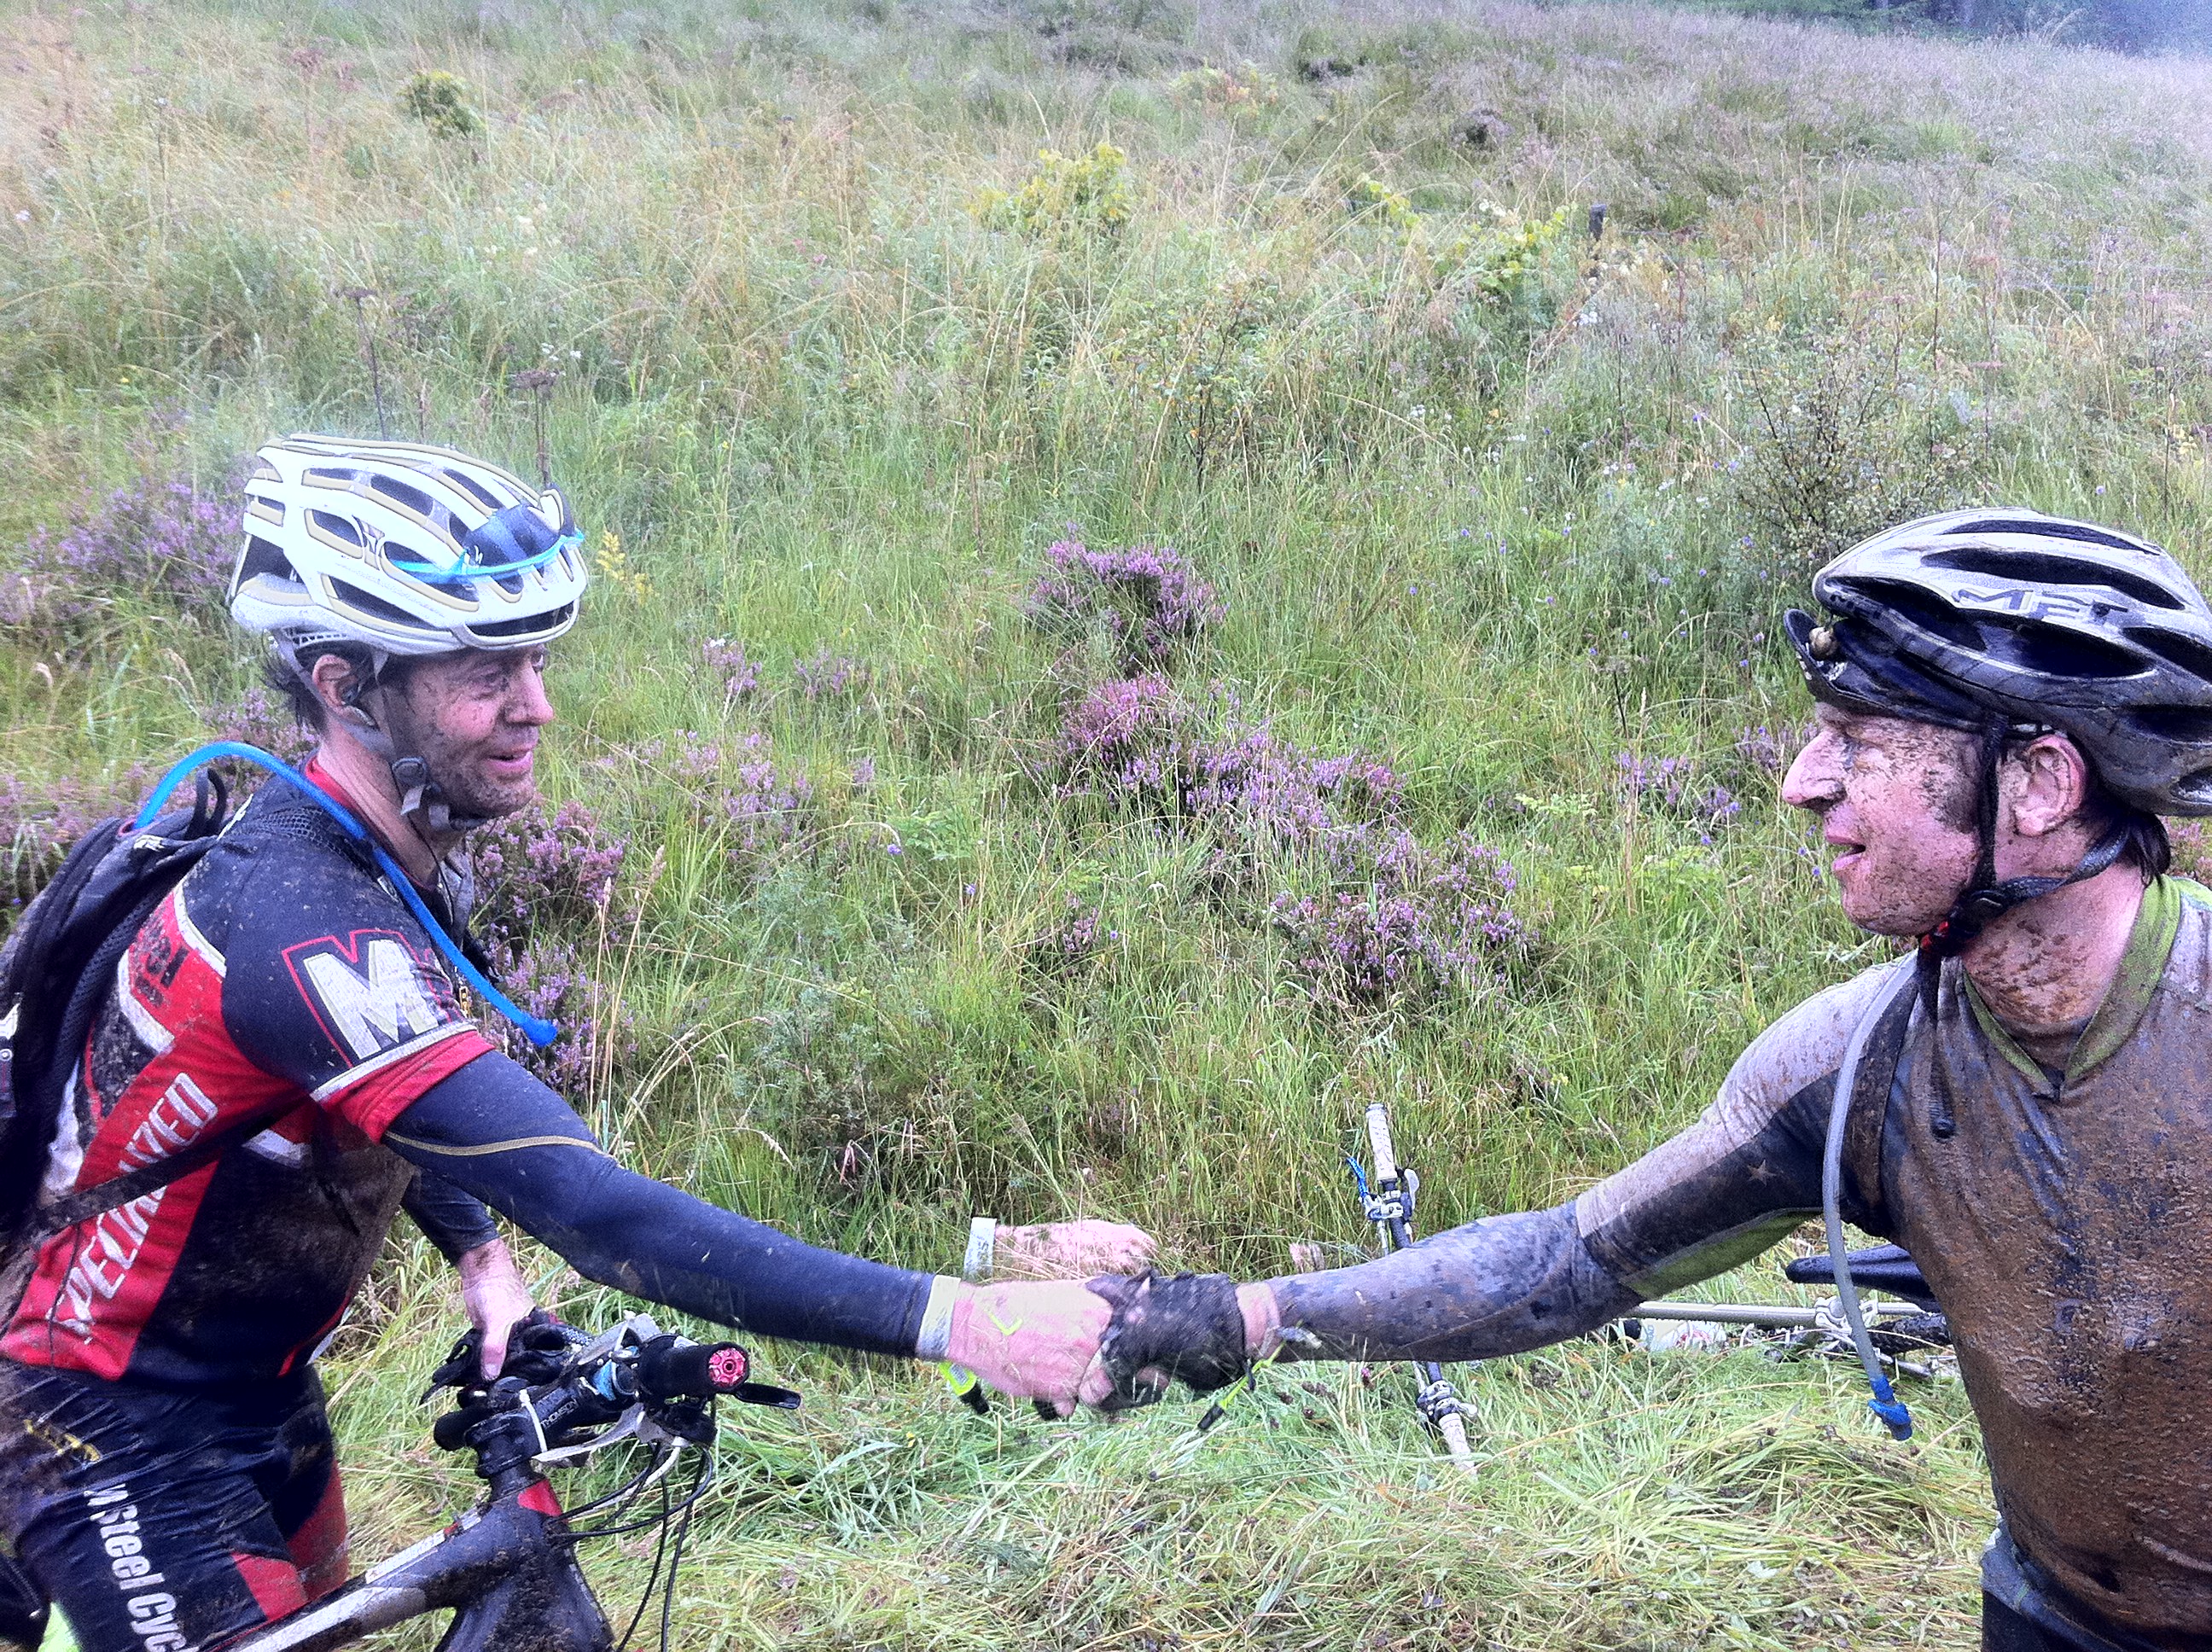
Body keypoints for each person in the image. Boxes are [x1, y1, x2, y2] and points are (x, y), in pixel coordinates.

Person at [0, 435, 1137, 1650]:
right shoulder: (297, 928)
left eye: (536, 659)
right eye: (484, 672)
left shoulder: (380, 865)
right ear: (344, 684)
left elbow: (386, 1106)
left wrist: (481, 1257)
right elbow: (607, 1219)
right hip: (101, 1422)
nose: (535, 705)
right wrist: (966, 1324)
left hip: (255, 1389)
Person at [1080, 509, 2212, 1652]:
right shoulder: (1862, 1071)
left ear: (2037, 782)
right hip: (2049, 1619)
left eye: (1857, 741)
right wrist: (1249, 1315)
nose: (1799, 784)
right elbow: (1571, 1260)